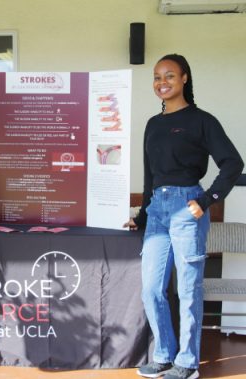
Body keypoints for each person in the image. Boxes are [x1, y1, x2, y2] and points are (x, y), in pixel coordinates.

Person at [124, 54, 244, 379]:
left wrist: (206, 201)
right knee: (151, 289)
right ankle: (163, 355)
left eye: (170, 76)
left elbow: (233, 163)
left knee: (188, 290)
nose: (162, 83)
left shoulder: (202, 120)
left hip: (187, 207)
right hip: (158, 210)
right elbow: (150, 176)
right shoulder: (153, 123)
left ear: (185, 79)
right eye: (157, 77)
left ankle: (187, 363)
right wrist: (143, 214)